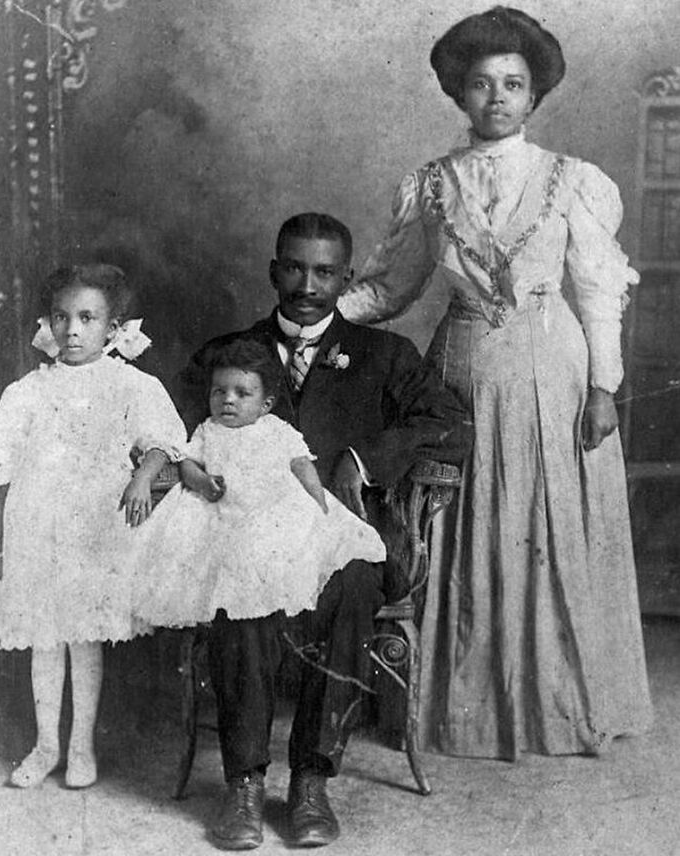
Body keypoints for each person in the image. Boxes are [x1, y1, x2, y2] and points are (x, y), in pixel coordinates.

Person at [338, 6, 652, 761]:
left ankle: (560, 704)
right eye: (481, 84)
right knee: (460, 518)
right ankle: (463, 707)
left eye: (513, 84)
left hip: (556, 374)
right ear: (459, 94)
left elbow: (596, 290)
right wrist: (312, 323)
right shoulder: (431, 187)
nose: (498, 98)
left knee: (549, 526)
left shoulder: (572, 181)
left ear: (534, 94)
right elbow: (390, 288)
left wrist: (604, 387)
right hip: (464, 374)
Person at [176, 212, 472, 849]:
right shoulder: (228, 355)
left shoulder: (384, 354)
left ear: (346, 277)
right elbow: (169, 431)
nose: (307, 284)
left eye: (324, 272)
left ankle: (311, 780)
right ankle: (245, 785)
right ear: (273, 270)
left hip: (336, 537)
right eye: (294, 267)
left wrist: (365, 460)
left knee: (356, 583)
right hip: (240, 536)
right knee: (241, 588)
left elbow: (451, 422)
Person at [0, 264, 186, 789]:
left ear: (113, 328)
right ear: (49, 322)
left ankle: (81, 746)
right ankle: (46, 744)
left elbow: (163, 440)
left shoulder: (129, 384)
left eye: (87, 318)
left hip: (94, 528)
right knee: (45, 639)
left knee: (83, 637)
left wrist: (142, 477)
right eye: (62, 317)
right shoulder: (27, 390)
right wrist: (6, 541)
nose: (72, 330)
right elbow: (2, 471)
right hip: (36, 524)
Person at [133, 338, 387, 628]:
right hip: (224, 512)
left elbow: (301, 463)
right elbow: (187, 463)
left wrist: (318, 499)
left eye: (242, 394)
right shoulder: (208, 430)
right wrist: (202, 481)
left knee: (288, 546)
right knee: (224, 558)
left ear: (265, 405)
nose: (228, 400)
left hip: (273, 506)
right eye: (219, 392)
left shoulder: (276, 429)